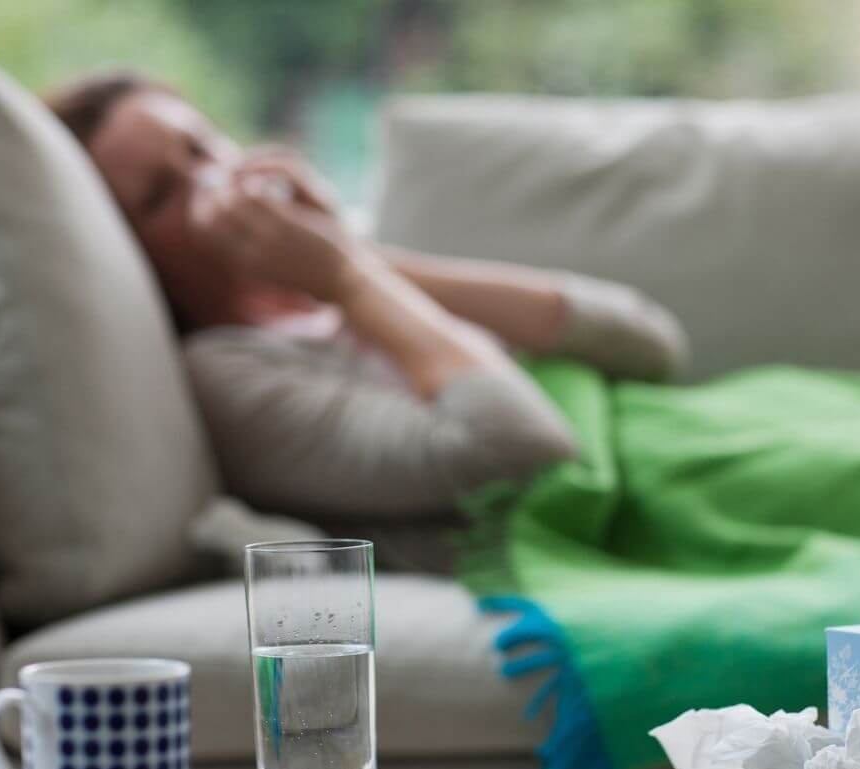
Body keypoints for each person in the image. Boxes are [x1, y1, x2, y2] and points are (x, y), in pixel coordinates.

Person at [45, 72, 689, 569]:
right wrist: (348, 278)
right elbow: (525, 453)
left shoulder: (352, 287)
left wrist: (356, 261)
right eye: (162, 195)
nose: (213, 181)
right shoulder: (226, 374)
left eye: (201, 146)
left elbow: (649, 341)